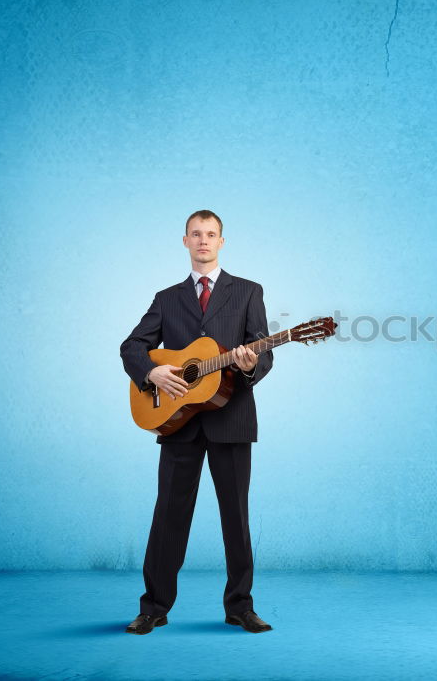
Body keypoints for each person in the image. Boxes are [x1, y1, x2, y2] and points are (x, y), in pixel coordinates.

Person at [119, 210, 275, 634]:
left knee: (235, 518)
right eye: (196, 234)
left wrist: (246, 366)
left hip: (232, 418)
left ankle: (240, 607)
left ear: (222, 241)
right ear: (184, 241)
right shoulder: (166, 298)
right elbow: (133, 345)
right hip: (178, 421)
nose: (203, 240)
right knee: (168, 515)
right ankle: (153, 607)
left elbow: (265, 356)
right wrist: (150, 373)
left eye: (211, 234)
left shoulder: (248, 292)